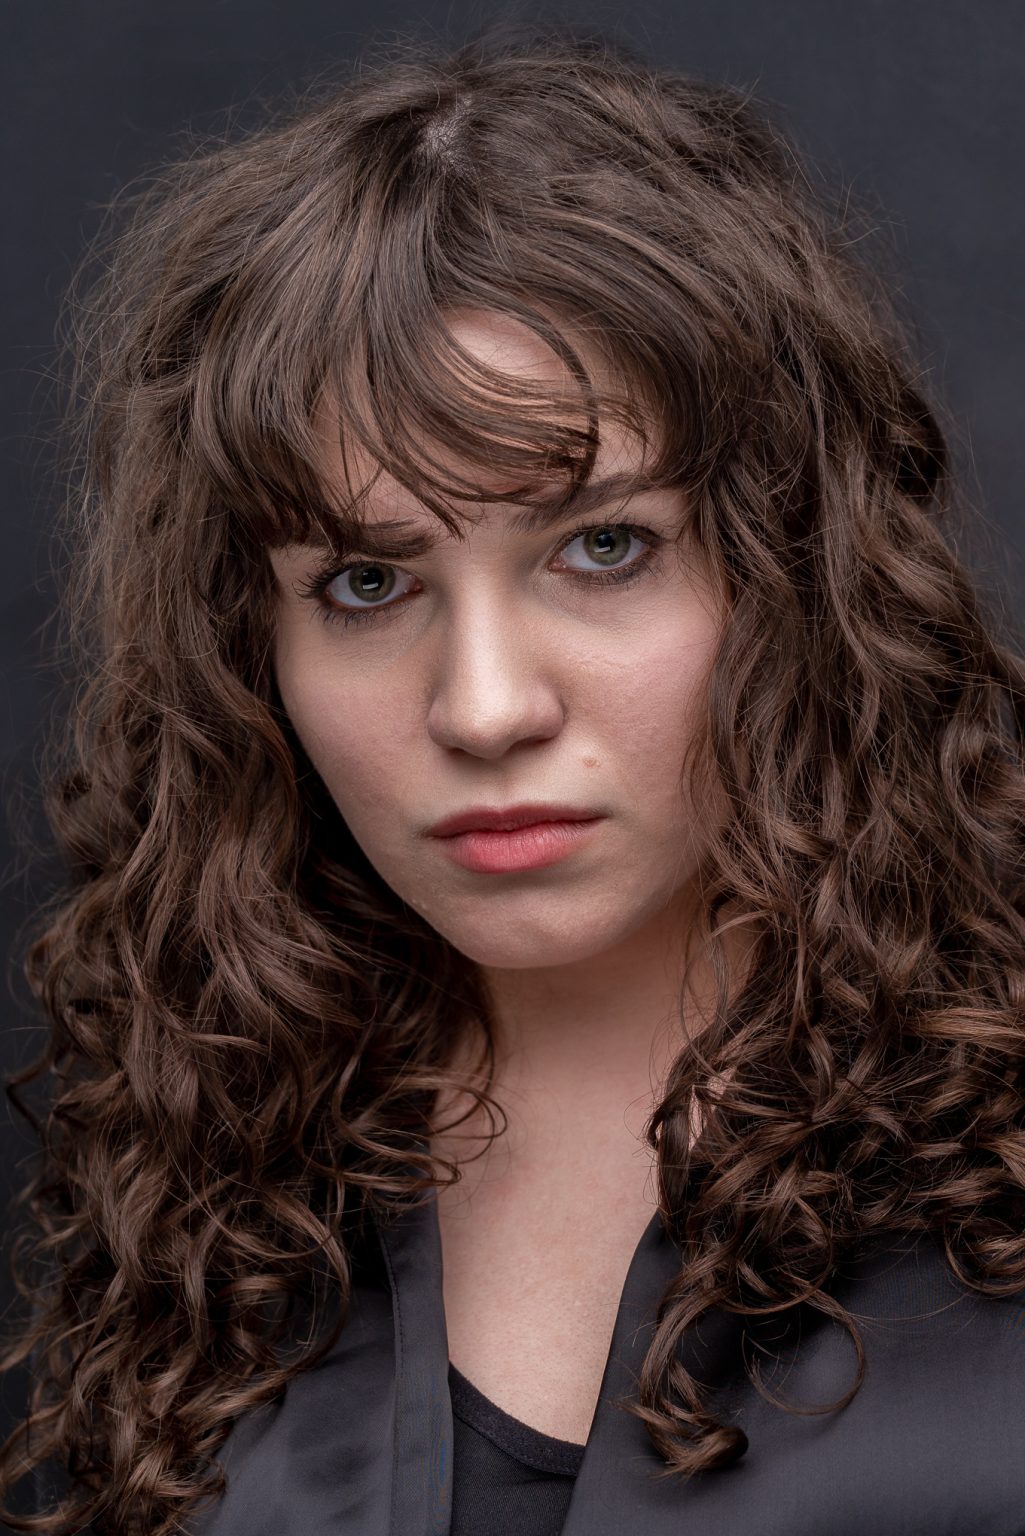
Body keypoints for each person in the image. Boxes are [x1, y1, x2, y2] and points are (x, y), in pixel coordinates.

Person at [3, 20, 1025, 1536]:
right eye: (365, 583)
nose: (485, 708)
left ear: (796, 571)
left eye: (603, 547)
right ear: (251, 650)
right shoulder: (208, 1140)